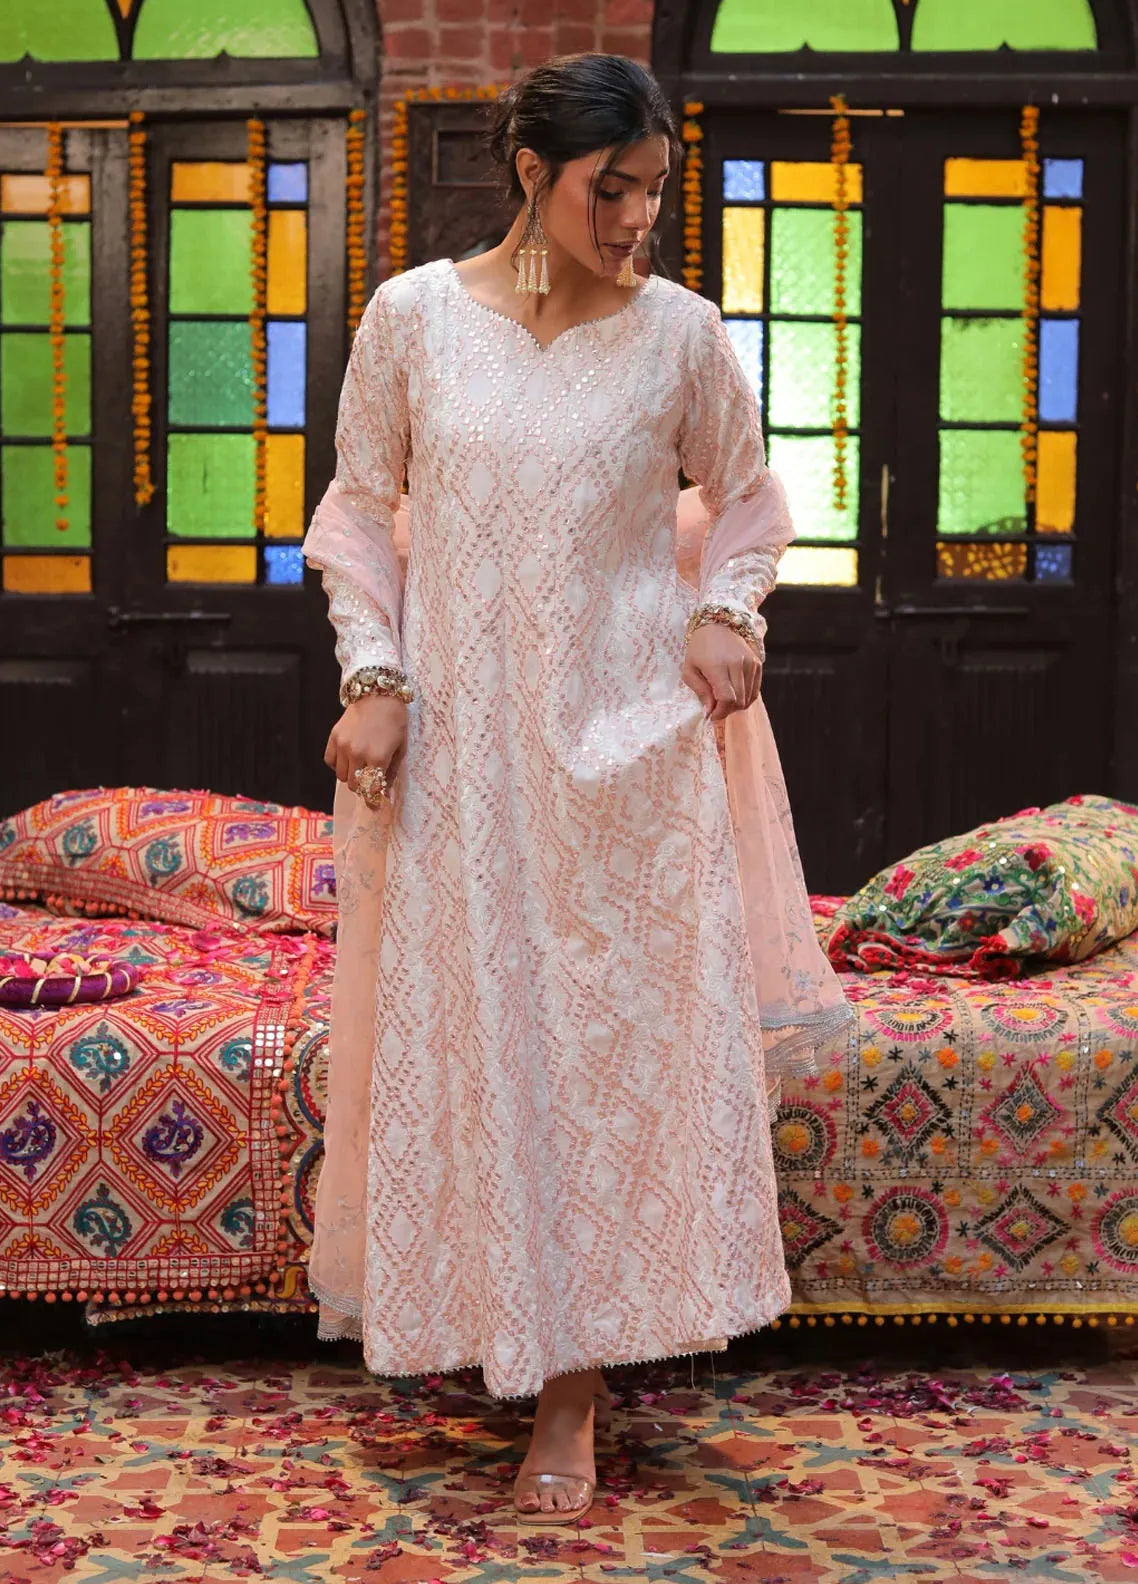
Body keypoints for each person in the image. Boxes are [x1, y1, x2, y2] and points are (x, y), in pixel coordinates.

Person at [301, 52, 853, 1526]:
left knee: (604, 1055)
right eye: (612, 189)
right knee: (489, 1039)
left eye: (653, 191)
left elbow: (748, 503)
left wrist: (725, 612)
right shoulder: (413, 320)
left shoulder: (679, 336)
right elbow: (358, 514)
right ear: (532, 170)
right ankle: (501, 1321)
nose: (635, 220)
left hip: (625, 754)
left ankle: (572, 1391)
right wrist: (374, 679)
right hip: (464, 760)